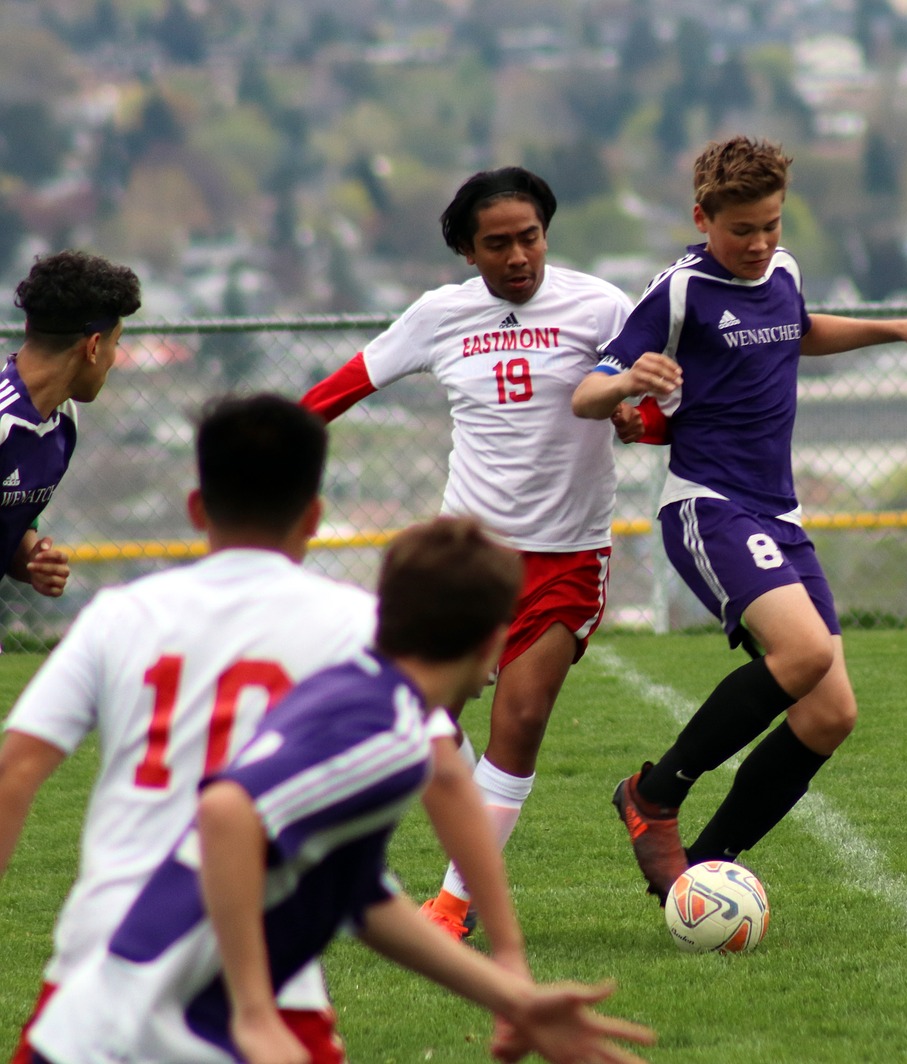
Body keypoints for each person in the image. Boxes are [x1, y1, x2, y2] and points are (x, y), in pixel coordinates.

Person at [0, 394, 527, 1063]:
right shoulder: (359, 626)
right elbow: (445, 773)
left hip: (102, 967)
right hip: (271, 980)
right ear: (314, 514)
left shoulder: (120, 615)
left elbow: (14, 774)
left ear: (197, 508)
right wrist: (507, 953)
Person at [26, 516, 656, 1064]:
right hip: (149, 1031)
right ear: (496, 638)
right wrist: (254, 1012)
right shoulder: (387, 732)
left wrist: (511, 995)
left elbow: (359, 897)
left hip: (112, 1017)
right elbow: (225, 812)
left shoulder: (367, 699)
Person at [571, 136, 907, 903]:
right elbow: (588, 391)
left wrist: (898, 328)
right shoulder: (678, 292)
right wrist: (627, 384)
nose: (759, 245)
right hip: (707, 504)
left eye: (771, 226)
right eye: (742, 230)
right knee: (805, 652)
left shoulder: (780, 272)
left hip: (778, 513)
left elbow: (798, 329)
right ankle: (653, 795)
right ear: (702, 217)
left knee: (830, 714)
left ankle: (699, 875)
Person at [301, 167, 636, 939]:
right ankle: (354, 863)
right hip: (467, 559)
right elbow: (345, 386)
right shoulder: (437, 316)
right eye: (498, 244)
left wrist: (636, 417)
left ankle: (454, 902)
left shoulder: (601, 306)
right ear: (466, 251)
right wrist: (267, 443)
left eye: (531, 237)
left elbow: (648, 410)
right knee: (416, 718)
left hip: (566, 555)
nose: (519, 255)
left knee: (519, 724)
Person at [0, 249, 141, 598]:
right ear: (94, 347)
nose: (113, 359)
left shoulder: (63, 420)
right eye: (116, 344)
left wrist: (32, 560)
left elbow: (10, 529)